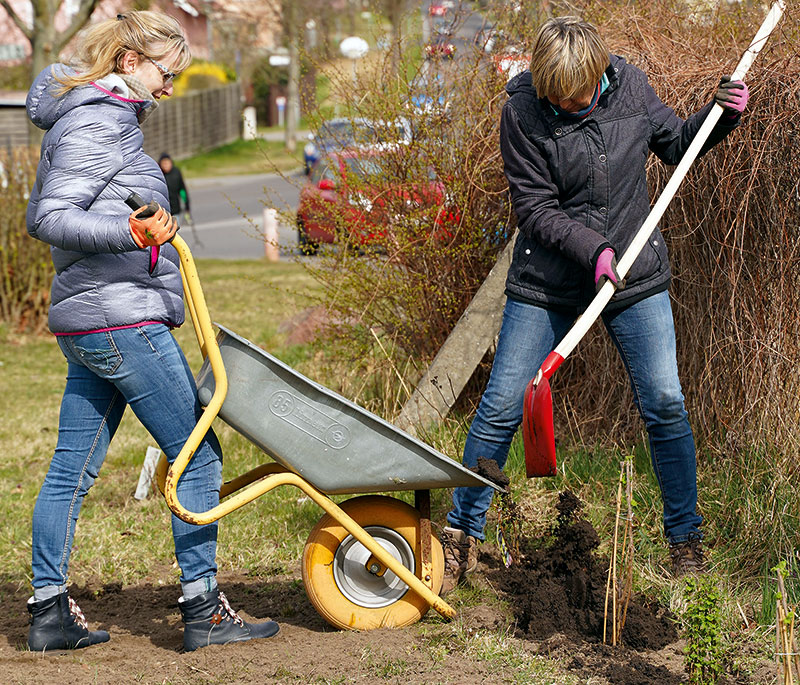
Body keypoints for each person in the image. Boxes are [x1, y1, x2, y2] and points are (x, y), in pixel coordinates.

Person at [439, 16, 749, 595]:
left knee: (664, 401)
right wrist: (593, 249)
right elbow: (534, 208)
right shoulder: (523, 112)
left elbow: (676, 147)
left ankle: (685, 539)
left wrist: (720, 117)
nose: (572, 105)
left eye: (580, 95)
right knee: (504, 402)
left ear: (599, 73)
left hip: (634, 271)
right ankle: (460, 536)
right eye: (559, 98)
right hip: (551, 279)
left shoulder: (630, 87)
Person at [25, 10, 279, 652]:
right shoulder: (96, 121)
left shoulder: (103, 116)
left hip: (100, 316)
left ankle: (48, 611)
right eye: (167, 73)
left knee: (71, 468)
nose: (171, 87)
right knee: (197, 452)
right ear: (129, 63)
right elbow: (50, 216)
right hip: (121, 317)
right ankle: (204, 612)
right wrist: (131, 233)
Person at [158, 152, 190, 219]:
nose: (166, 165)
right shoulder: (158, 174)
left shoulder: (176, 172)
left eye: (167, 162)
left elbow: (182, 189)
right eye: (164, 163)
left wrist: (186, 204)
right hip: (162, 211)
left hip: (175, 209)